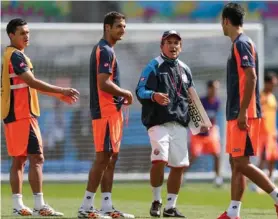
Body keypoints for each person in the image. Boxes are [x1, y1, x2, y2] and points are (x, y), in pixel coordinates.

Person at [2, 18, 79, 216]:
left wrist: (58, 95)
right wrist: (62, 89)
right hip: (22, 115)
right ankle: (38, 204)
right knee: (36, 158)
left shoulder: (11, 55)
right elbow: (31, 81)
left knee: (20, 160)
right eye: (22, 33)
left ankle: (19, 205)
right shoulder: (16, 56)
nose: (27, 36)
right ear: (12, 35)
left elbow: (29, 84)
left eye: (28, 32)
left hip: (15, 115)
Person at [136, 30, 208, 218]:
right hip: (158, 123)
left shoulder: (185, 69)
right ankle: (156, 200)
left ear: (181, 47)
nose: (173, 45)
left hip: (180, 124)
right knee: (159, 160)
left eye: (176, 42)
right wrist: (154, 95)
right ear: (162, 46)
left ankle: (170, 207)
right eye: (169, 42)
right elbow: (140, 90)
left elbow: (191, 97)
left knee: (179, 166)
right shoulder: (153, 66)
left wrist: (201, 120)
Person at [217, 3, 278, 219]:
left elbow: (251, 77)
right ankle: (233, 213)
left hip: (244, 112)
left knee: (242, 164)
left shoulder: (241, 44)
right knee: (236, 163)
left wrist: (242, 111)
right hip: (239, 111)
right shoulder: (241, 43)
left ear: (226, 20)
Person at [78, 12, 134, 219]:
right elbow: (103, 83)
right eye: (119, 26)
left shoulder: (108, 50)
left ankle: (107, 206)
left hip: (112, 111)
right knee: (102, 158)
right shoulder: (104, 50)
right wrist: (125, 92)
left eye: (124, 26)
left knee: (111, 158)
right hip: (105, 111)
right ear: (107, 27)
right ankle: (85, 207)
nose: (122, 29)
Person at [189, 80, 223, 187]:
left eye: (217, 89)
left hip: (210, 133)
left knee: (217, 155)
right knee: (193, 156)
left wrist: (211, 128)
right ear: (208, 88)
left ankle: (217, 178)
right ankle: (181, 175)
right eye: (213, 88)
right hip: (198, 134)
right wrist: (200, 126)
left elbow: (212, 118)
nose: (215, 91)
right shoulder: (201, 101)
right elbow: (193, 116)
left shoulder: (217, 102)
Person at [257, 73, 278, 182]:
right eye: (272, 84)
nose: (274, 86)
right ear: (266, 83)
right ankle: (256, 181)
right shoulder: (260, 96)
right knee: (264, 157)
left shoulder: (272, 97)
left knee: (273, 157)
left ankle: (270, 180)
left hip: (272, 133)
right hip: (262, 133)